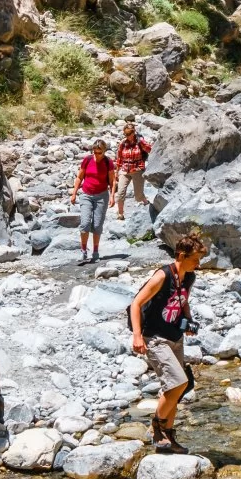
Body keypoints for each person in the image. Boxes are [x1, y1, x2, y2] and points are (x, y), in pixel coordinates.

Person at [129, 232, 207, 452]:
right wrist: (137, 335)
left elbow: (183, 303)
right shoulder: (162, 276)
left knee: (175, 388)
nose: (198, 265)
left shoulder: (189, 276)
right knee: (177, 383)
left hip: (175, 337)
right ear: (181, 256)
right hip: (155, 337)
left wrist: (188, 321)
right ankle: (157, 426)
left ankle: (168, 437)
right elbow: (136, 304)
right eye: (195, 260)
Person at [69, 136, 114, 265]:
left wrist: (112, 196)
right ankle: (83, 251)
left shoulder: (108, 162)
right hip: (86, 194)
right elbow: (79, 177)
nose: (97, 155)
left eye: (99, 153)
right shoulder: (87, 160)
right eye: (95, 152)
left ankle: (95, 251)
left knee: (97, 225)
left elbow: (112, 181)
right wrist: (74, 193)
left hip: (101, 196)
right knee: (84, 223)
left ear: (104, 151)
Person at [113, 118, 151, 219]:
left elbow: (150, 150)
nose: (127, 136)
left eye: (129, 133)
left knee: (138, 196)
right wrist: (117, 173)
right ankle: (120, 214)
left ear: (133, 132)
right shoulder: (123, 144)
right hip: (125, 170)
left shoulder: (140, 142)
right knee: (120, 192)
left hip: (137, 170)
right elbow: (119, 158)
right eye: (125, 134)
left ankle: (145, 202)